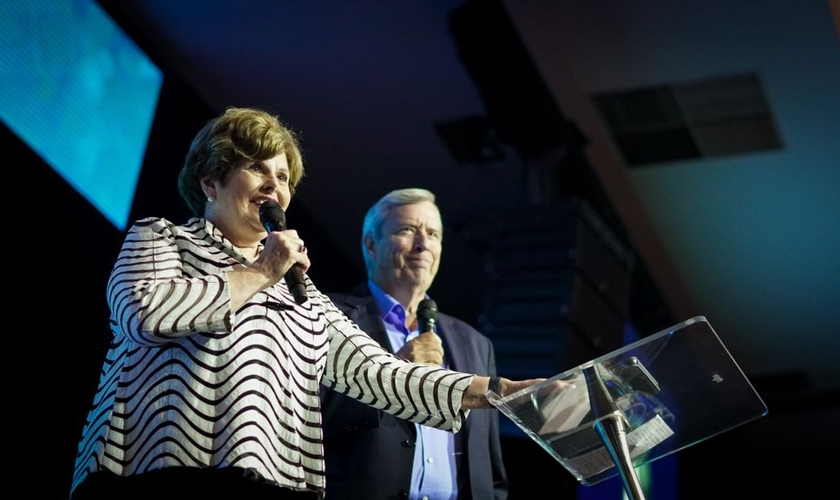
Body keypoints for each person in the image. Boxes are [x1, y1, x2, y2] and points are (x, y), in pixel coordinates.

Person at [68, 107, 546, 500]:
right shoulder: (162, 239)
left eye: (282, 176)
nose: (273, 184)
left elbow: (379, 372)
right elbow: (143, 313)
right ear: (210, 182)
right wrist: (262, 271)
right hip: (155, 473)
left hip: (271, 483)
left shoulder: (300, 292)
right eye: (256, 168)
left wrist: (497, 391)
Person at [320, 188, 508, 500]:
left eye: (433, 234)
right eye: (407, 230)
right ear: (371, 245)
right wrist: (396, 372)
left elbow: (489, 469)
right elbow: (307, 421)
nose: (423, 244)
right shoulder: (327, 317)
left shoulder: (475, 343)